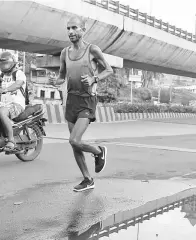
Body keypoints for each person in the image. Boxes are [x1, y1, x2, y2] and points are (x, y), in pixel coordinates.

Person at [50, 16, 114, 192]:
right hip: (71, 100)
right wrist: (55, 81)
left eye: (74, 28)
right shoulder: (65, 53)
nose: (70, 31)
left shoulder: (92, 50)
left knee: (74, 140)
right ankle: (87, 179)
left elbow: (108, 70)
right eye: (68, 28)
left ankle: (99, 151)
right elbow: (62, 76)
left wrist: (94, 78)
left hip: (87, 100)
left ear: (83, 30)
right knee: (74, 144)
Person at [0, 51, 27, 151]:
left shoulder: (19, 73)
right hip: (3, 104)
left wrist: (5, 89)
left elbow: (18, 84)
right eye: (1, 64)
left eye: (6, 64)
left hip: (17, 104)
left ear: (12, 63)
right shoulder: (1, 76)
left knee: (2, 112)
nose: (4, 66)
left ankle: (11, 141)